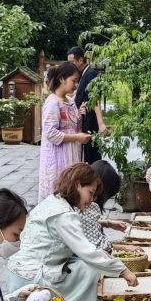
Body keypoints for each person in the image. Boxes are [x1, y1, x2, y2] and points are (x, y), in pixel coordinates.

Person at [5, 161, 139, 301]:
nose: (91, 200)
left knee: (88, 263)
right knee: (90, 268)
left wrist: (107, 257)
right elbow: (87, 251)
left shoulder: (54, 201)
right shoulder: (64, 215)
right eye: (90, 193)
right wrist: (123, 270)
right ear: (77, 185)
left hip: (20, 273)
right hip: (32, 278)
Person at [39, 61, 86, 201]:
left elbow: (75, 127)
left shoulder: (71, 101)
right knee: (56, 193)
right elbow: (51, 134)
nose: (75, 84)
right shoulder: (52, 102)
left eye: (76, 81)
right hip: (57, 156)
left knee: (70, 192)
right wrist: (77, 137)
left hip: (71, 154)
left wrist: (81, 116)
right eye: (73, 80)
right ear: (61, 79)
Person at [76, 158, 129, 252]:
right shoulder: (89, 206)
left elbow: (83, 224)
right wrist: (125, 248)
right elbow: (97, 246)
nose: (92, 199)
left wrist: (107, 223)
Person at [68, 45, 108, 165]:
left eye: (72, 62)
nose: (71, 66)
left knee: (91, 154)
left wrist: (101, 123)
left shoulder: (90, 74)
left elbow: (95, 98)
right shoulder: (82, 74)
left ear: (81, 60)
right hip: (83, 118)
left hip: (89, 119)